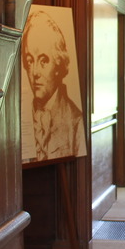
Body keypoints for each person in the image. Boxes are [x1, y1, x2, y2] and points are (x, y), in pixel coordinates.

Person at [23, 9, 87, 160]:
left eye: (44, 61)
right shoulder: (20, 116)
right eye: (30, 61)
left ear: (58, 64)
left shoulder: (76, 123)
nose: (35, 72)